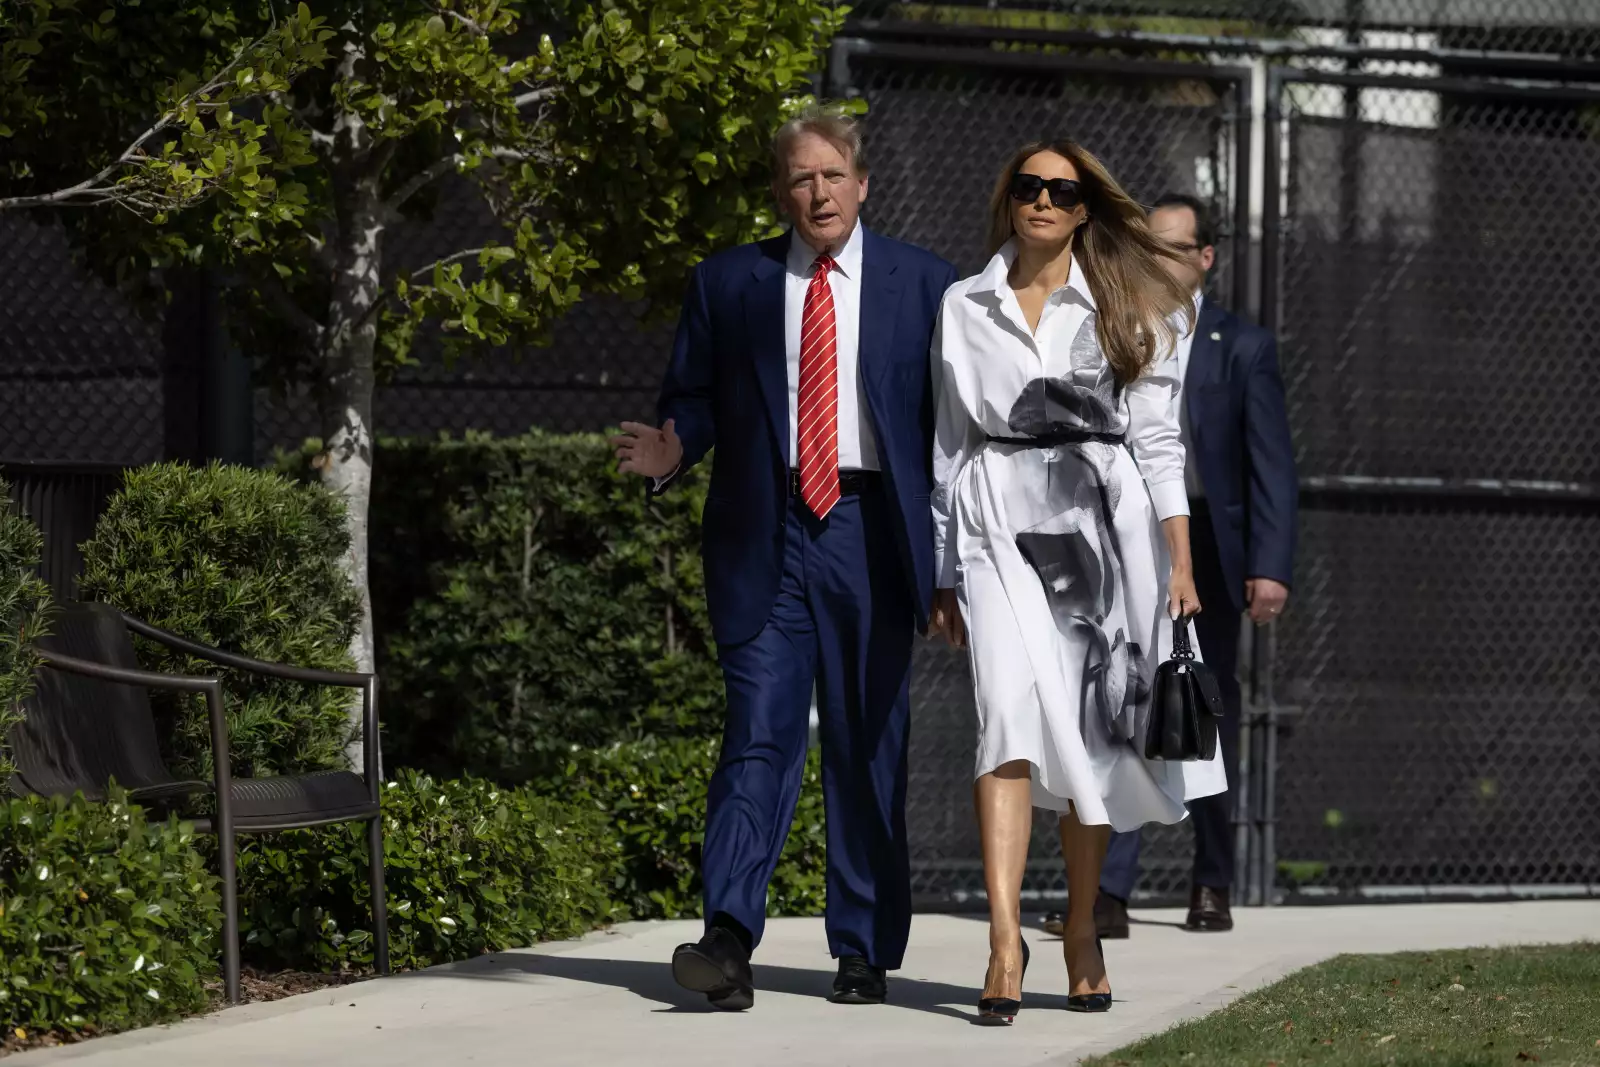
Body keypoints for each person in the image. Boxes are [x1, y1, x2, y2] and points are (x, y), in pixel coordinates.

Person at [611, 106, 957, 1012]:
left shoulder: (925, 285)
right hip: (765, 529)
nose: (819, 192)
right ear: (780, 193)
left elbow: (955, 432)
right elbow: (692, 394)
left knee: (866, 741)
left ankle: (864, 948)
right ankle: (726, 936)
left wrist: (953, 561)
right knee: (757, 735)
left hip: (871, 532)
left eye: (833, 175)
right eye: (801, 178)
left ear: (862, 184)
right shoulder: (730, 282)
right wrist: (674, 448)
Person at [929, 140, 1225, 1023]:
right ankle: (1005, 939)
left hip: (1103, 529)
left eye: (1062, 191)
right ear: (1009, 198)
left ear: (1085, 207)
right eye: (1029, 187)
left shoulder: (1124, 308)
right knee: (1006, 720)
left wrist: (1179, 559)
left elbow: (1159, 443)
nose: (1044, 202)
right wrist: (943, 566)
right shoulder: (962, 303)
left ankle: (1085, 930)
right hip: (994, 525)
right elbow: (949, 444)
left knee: (1094, 731)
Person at [1083, 193, 1298, 939]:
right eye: (1151, 246)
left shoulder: (1242, 345)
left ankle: (1212, 881)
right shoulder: (1117, 331)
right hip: (1128, 538)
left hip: (1207, 545)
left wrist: (1269, 565)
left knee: (1205, 706)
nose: (1161, 260)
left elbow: (1271, 465)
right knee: (1128, 699)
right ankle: (1109, 890)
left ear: (1205, 256)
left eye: (1175, 247)